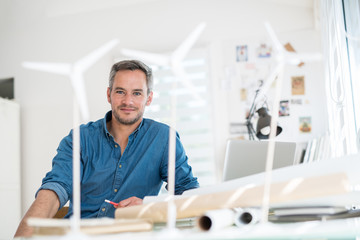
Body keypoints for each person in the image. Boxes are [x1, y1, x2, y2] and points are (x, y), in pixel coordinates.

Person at [15, 60, 199, 237]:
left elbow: (189, 195)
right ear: (108, 94)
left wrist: (149, 205)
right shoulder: (80, 139)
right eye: (120, 92)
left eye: (137, 93)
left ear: (149, 98)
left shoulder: (163, 138)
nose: (128, 101)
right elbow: (55, 188)